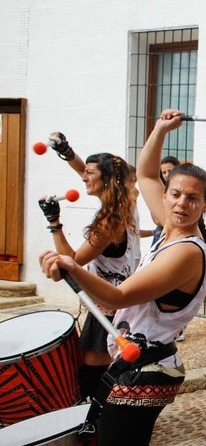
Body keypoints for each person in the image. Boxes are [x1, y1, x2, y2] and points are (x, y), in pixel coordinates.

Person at [39, 109, 206, 446]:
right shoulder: (166, 228)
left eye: (193, 198)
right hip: (140, 365)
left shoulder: (187, 251)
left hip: (148, 370)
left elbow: (122, 296)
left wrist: (70, 265)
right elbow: (147, 173)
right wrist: (159, 128)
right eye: (175, 194)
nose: (181, 202)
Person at [38, 133, 139, 400]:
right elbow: (90, 172)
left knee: (92, 377)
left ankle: (99, 427)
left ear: (106, 179)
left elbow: (71, 262)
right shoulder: (127, 201)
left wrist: (54, 223)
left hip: (106, 306)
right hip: (117, 300)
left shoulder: (108, 221)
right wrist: (68, 153)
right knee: (102, 371)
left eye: (89, 174)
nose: (83, 177)